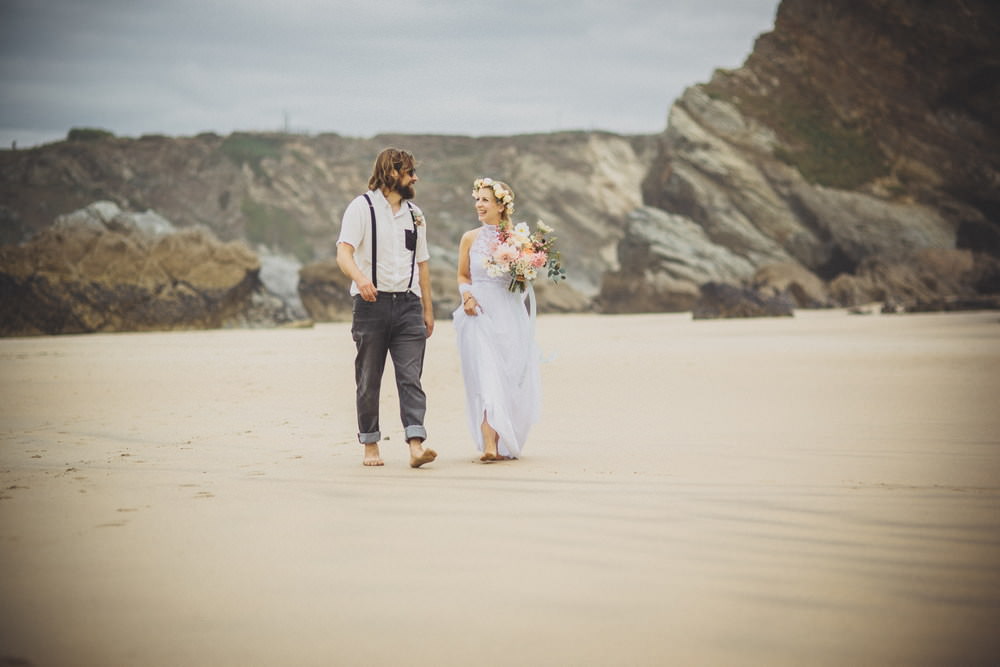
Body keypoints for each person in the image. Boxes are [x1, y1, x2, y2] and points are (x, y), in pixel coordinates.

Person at [336, 148, 437, 468]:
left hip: (408, 305)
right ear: (392, 173)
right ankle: (370, 444)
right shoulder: (361, 207)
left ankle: (416, 444)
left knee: (411, 377)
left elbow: (422, 265)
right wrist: (360, 278)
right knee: (368, 378)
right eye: (409, 172)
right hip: (370, 305)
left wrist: (427, 310)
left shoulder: (416, 214)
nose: (415, 177)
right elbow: (343, 253)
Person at [453, 178, 541, 462]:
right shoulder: (469, 237)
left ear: (501, 205)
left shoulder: (518, 241)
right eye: (477, 199)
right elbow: (463, 275)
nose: (478, 204)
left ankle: (505, 437)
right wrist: (467, 297)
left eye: (485, 200)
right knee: (485, 373)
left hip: (509, 313)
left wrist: (522, 270)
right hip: (478, 312)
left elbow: (524, 281)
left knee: (508, 376)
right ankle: (489, 442)